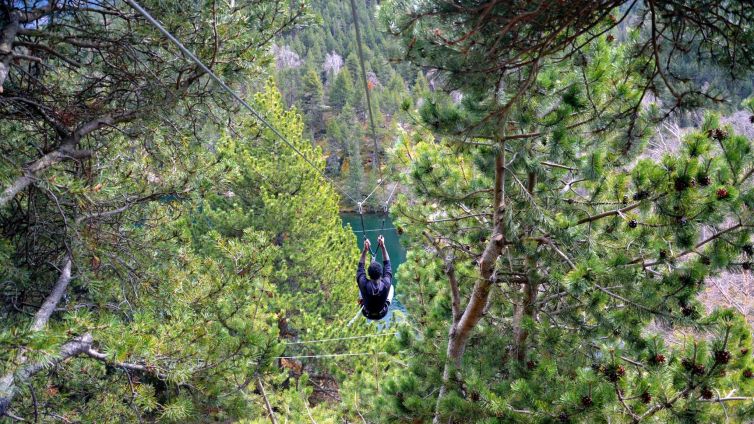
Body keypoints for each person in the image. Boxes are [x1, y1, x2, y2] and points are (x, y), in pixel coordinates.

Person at [357, 235, 394, 320]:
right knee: (391, 287)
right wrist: (383, 247)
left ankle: (362, 301)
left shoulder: (364, 284)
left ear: (369, 274)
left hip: (366, 313)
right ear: (381, 274)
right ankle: (387, 303)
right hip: (382, 313)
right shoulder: (386, 283)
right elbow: (387, 264)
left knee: (360, 284)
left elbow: (360, 267)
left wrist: (365, 250)